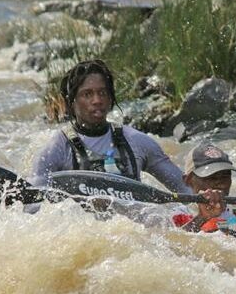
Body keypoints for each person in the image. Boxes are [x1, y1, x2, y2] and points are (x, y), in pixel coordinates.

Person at [30, 59, 190, 194]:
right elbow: (34, 206)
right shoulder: (56, 149)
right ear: (72, 103)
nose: (97, 100)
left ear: (110, 99)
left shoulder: (138, 142)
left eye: (102, 93)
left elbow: (186, 189)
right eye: (87, 94)